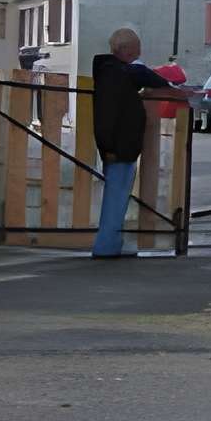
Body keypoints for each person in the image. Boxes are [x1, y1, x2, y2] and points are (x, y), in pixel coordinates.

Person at [87, 29, 180, 258]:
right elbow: (107, 117)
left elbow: (145, 76)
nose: (140, 52)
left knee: (117, 197)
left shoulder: (116, 72)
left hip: (121, 147)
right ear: (125, 49)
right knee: (115, 199)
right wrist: (108, 148)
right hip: (118, 148)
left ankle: (112, 243)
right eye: (137, 48)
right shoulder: (115, 74)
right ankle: (106, 246)